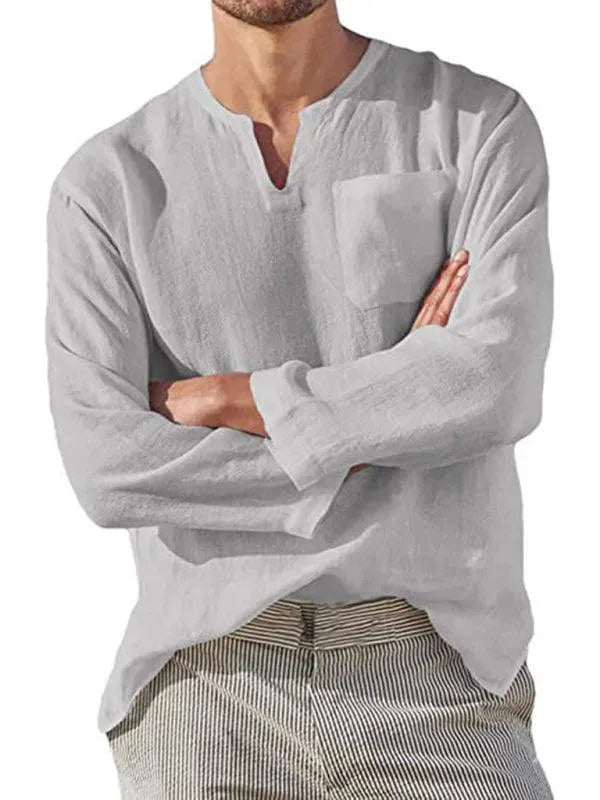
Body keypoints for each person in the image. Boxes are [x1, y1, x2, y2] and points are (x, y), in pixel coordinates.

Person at [45, 0, 555, 797]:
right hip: (205, 682)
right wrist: (375, 418)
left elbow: (496, 382)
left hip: (440, 668)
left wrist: (233, 398)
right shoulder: (106, 185)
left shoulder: (476, 126)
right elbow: (107, 468)